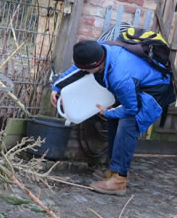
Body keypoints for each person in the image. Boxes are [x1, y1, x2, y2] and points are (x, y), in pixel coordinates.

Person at [50, 40, 175, 195]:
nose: (84, 71)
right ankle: (113, 170)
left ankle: (119, 180)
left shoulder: (119, 76)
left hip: (155, 92)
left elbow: (131, 109)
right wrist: (57, 87)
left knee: (128, 124)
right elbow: (78, 68)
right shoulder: (99, 50)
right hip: (136, 85)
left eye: (86, 69)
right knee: (114, 120)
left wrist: (107, 112)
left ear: (94, 66)